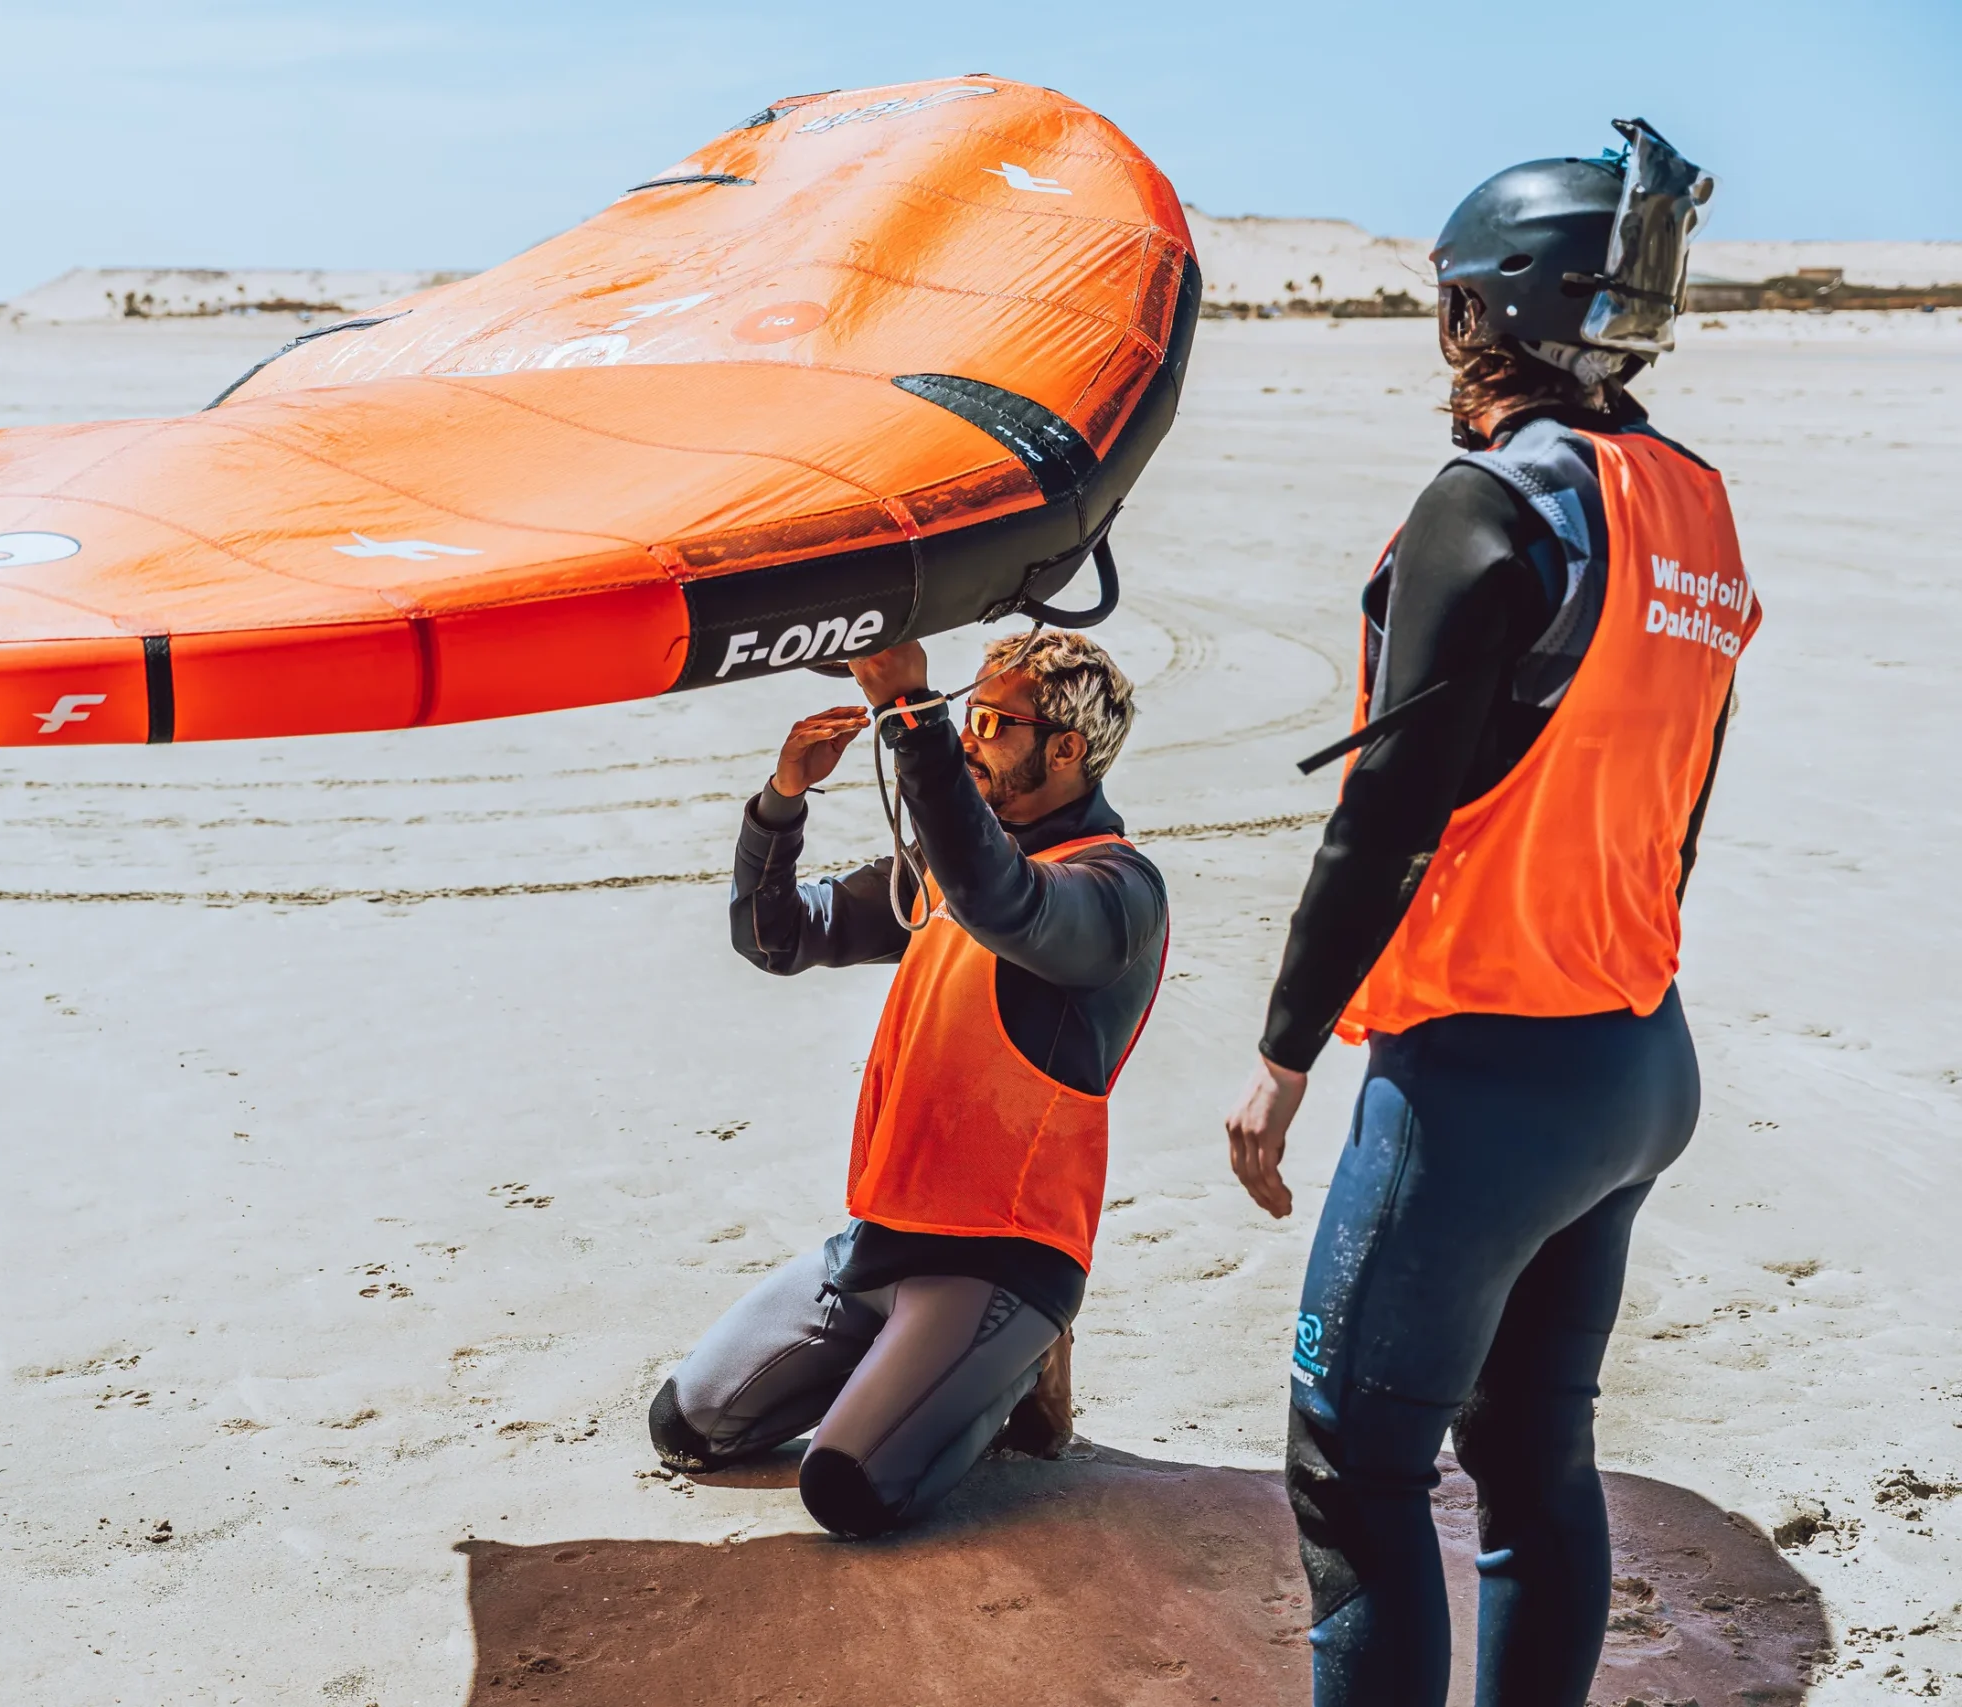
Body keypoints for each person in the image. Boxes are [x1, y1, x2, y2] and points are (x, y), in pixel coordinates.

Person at [1220, 122, 1753, 1704]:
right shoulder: (1694, 507)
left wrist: (1282, 1053)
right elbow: (1681, 815)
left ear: (1490, 313)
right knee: (1534, 1467)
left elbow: (1386, 820)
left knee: (1354, 1470)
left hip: (1481, 1079)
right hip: (1636, 1060)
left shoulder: (1489, 505)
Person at [648, 628, 1169, 1538]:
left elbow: (1004, 902)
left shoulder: (1116, 892)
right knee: (686, 1428)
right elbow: (777, 937)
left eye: (991, 721)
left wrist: (910, 713)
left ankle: (1021, 1355)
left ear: (1067, 748)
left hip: (999, 1257)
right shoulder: (950, 866)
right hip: (880, 1243)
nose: (969, 736)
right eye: (967, 717)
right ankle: (914, 1366)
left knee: (846, 1491)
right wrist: (783, 800)